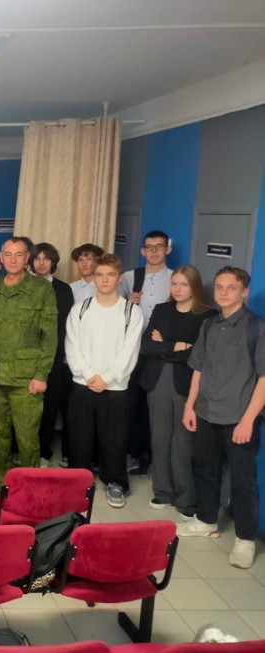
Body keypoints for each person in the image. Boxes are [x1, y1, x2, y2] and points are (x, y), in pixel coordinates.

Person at [178, 266, 265, 570]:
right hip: (206, 412)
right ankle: (206, 521)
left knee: (243, 481)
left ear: (244, 291)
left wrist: (248, 420)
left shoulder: (257, 327)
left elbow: (264, 378)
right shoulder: (210, 324)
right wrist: (190, 406)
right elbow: (199, 368)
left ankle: (245, 539)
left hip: (239, 417)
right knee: (205, 470)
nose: (224, 292)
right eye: (219, 287)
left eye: (231, 287)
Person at [0, 237, 57, 493]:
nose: (12, 259)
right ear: (0, 257)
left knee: (27, 436)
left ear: (27, 258)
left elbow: (49, 337)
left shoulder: (41, 290)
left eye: (18, 254)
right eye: (8, 254)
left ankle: (30, 485)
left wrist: (41, 375)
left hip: (26, 378)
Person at [65, 253, 143, 509]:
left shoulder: (131, 312)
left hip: (115, 387)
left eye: (110, 275)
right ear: (94, 277)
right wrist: (88, 375)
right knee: (80, 437)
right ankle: (77, 482)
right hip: (83, 384)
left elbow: (129, 351)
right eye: (99, 275)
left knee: (114, 438)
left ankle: (116, 482)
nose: (104, 280)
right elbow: (72, 346)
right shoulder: (80, 309)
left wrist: (107, 377)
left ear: (119, 278)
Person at [139, 265, 216, 518]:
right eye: (174, 284)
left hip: (187, 384)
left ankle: (186, 500)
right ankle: (162, 492)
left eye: (184, 284)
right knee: (159, 438)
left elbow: (198, 354)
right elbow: (147, 346)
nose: (178, 289)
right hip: (157, 380)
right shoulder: (162, 310)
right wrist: (177, 346)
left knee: (183, 442)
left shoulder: (207, 315)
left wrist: (166, 346)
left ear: (194, 287)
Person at [122, 230, 173, 476]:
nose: (154, 251)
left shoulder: (176, 279)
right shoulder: (130, 277)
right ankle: (135, 454)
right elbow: (115, 310)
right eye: (149, 247)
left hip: (161, 353)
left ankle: (155, 458)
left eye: (159, 247)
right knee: (133, 404)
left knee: (156, 408)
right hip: (133, 350)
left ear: (167, 250)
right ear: (142, 251)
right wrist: (128, 303)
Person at [30, 242, 75, 467]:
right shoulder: (23, 285)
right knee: (27, 407)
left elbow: (66, 325)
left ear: (53, 262)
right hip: (26, 357)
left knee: (49, 407)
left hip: (54, 358)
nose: (41, 263)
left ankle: (44, 452)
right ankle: (22, 450)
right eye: (37, 258)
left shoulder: (63, 290)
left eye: (46, 258)